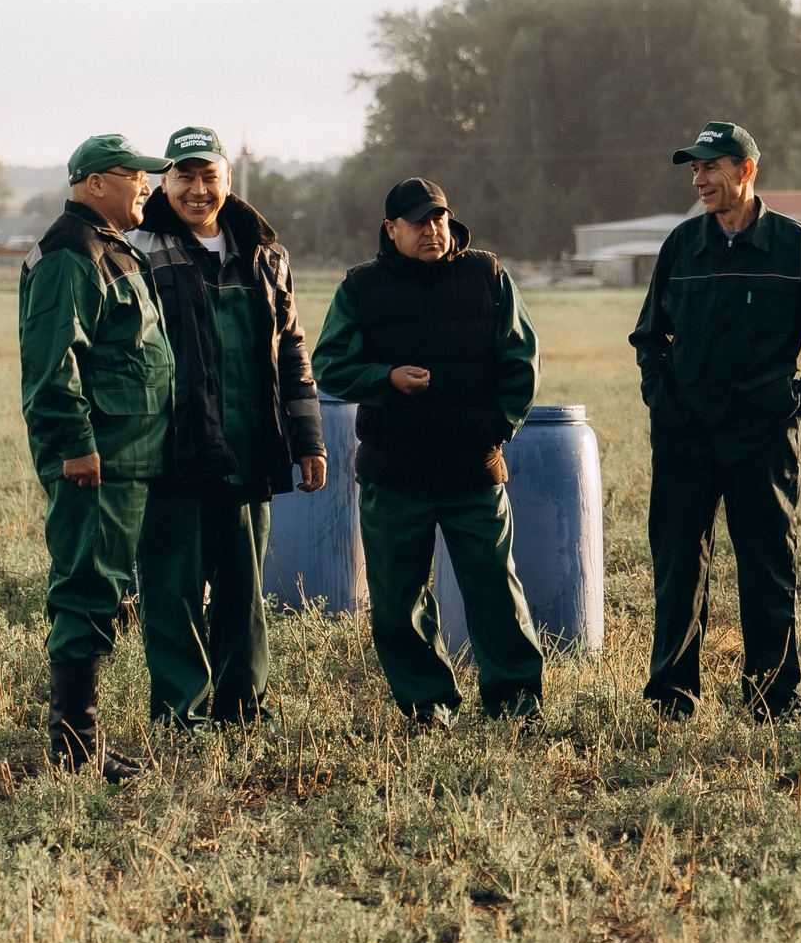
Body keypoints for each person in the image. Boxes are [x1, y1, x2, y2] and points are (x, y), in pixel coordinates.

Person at [631, 121, 801, 721]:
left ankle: (772, 700)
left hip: (761, 434)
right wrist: (662, 398)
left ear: (746, 170)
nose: (700, 180)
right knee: (679, 567)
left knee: (767, 566)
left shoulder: (793, 244)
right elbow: (649, 336)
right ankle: (672, 699)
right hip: (684, 435)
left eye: (711, 168)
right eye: (695, 170)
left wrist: (799, 400)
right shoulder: (681, 245)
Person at [311, 178, 546, 724]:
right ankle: (428, 705)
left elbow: (522, 364)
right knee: (398, 602)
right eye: (417, 222)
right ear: (391, 229)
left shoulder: (487, 275)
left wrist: (495, 429)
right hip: (394, 475)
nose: (431, 230)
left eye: (438, 218)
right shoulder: (360, 288)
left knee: (494, 592)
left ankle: (515, 703)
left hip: (473, 469)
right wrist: (385, 377)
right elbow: (330, 364)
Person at [125, 128, 326, 727]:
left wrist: (308, 438)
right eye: (183, 176)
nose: (196, 189)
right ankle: (181, 714)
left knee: (243, 589)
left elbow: (291, 348)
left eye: (208, 175)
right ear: (164, 181)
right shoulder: (137, 247)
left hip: (250, 447)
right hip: (173, 449)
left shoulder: (265, 253)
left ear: (228, 179)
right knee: (173, 589)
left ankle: (243, 707)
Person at [19, 134, 176, 780]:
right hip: (99, 459)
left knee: (105, 588)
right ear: (95, 182)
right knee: (86, 588)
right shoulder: (70, 252)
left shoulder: (114, 248)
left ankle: (82, 741)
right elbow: (53, 363)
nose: (148, 185)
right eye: (136, 175)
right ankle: (75, 749)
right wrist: (77, 446)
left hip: (130, 456)